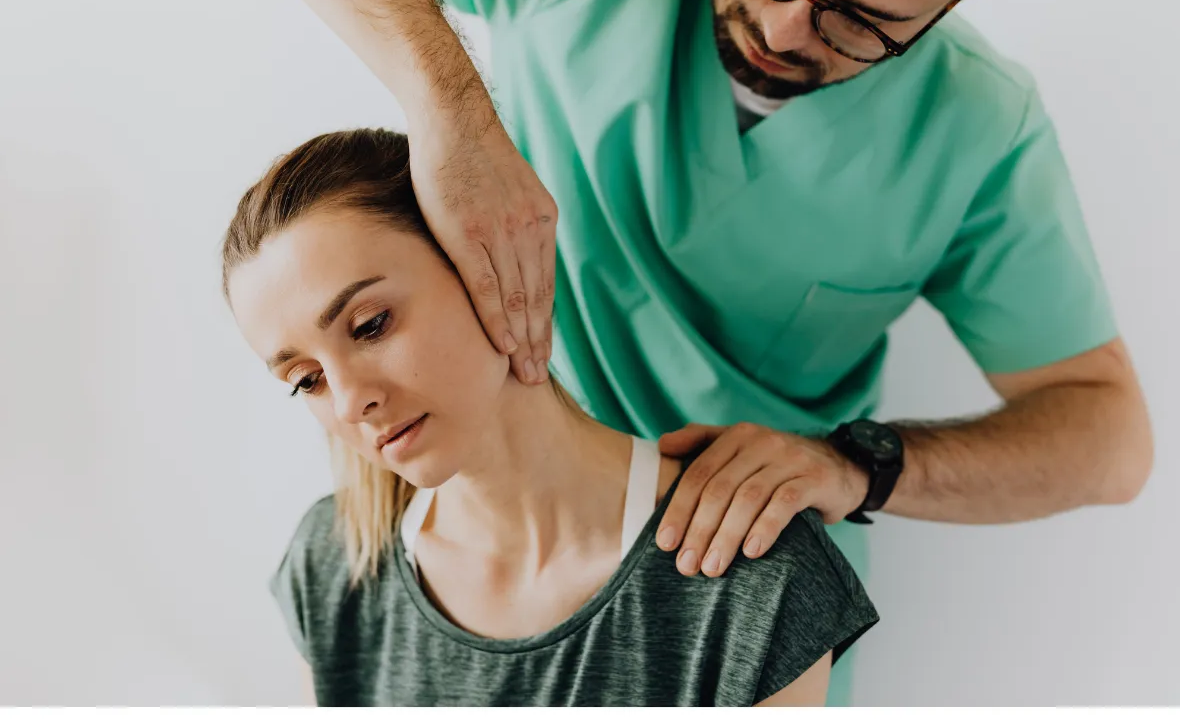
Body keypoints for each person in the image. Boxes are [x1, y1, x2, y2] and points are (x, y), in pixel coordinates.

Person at [265, 0, 1154, 704]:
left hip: (721, 581)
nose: (783, 31)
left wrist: (859, 464)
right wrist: (451, 112)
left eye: (859, 22)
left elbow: (1109, 439)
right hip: (484, 536)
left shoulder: (979, 130)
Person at [221, 127, 879, 706]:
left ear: (492, 267)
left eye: (370, 325)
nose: (347, 400)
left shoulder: (751, 570)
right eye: (306, 379)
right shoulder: (334, 565)